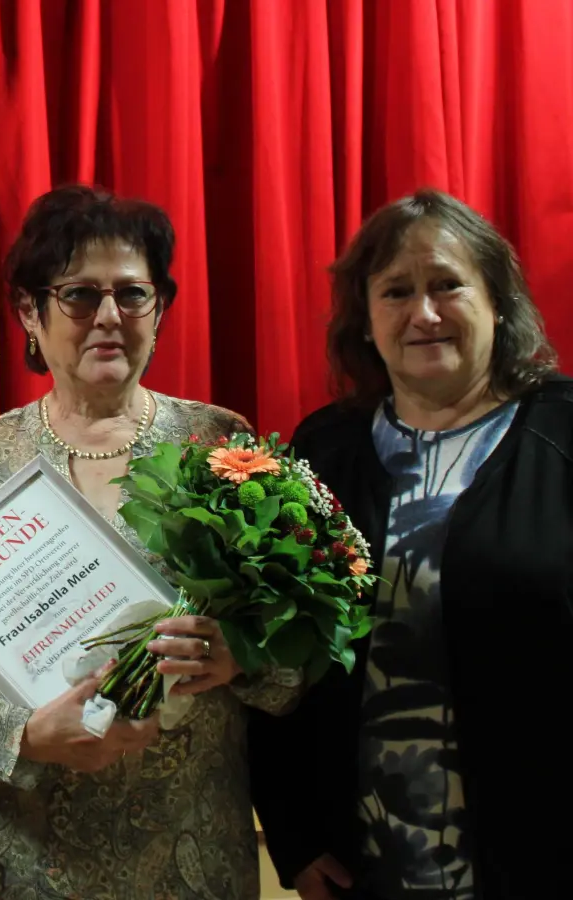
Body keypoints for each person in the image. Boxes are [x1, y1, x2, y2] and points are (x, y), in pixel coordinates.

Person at [0, 184, 301, 899]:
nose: (109, 318)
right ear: (29, 312)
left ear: (161, 308)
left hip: (189, 854)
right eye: (79, 296)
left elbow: (297, 651)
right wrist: (27, 733)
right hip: (17, 857)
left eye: (133, 294)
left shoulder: (223, 444)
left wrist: (239, 654)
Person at [250, 189, 570, 900]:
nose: (423, 313)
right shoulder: (321, 452)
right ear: (365, 318)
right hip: (370, 867)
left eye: (447, 285)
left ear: (498, 300)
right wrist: (297, 834)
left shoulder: (563, 433)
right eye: (396, 291)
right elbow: (276, 662)